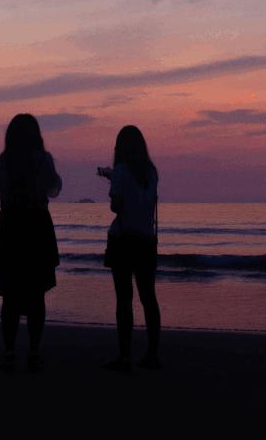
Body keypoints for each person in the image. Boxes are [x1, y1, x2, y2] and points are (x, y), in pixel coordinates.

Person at [0, 113, 62, 373]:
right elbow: (54, 188)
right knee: (36, 292)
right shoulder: (42, 159)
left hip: (10, 225)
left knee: (10, 294)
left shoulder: (4, 162)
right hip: (36, 225)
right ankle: (34, 350)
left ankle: (9, 351)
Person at [102, 124, 161, 371]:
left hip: (124, 240)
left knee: (124, 300)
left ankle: (125, 356)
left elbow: (116, 206)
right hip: (147, 240)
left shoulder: (122, 171)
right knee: (149, 298)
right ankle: (152, 354)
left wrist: (111, 179)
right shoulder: (151, 171)